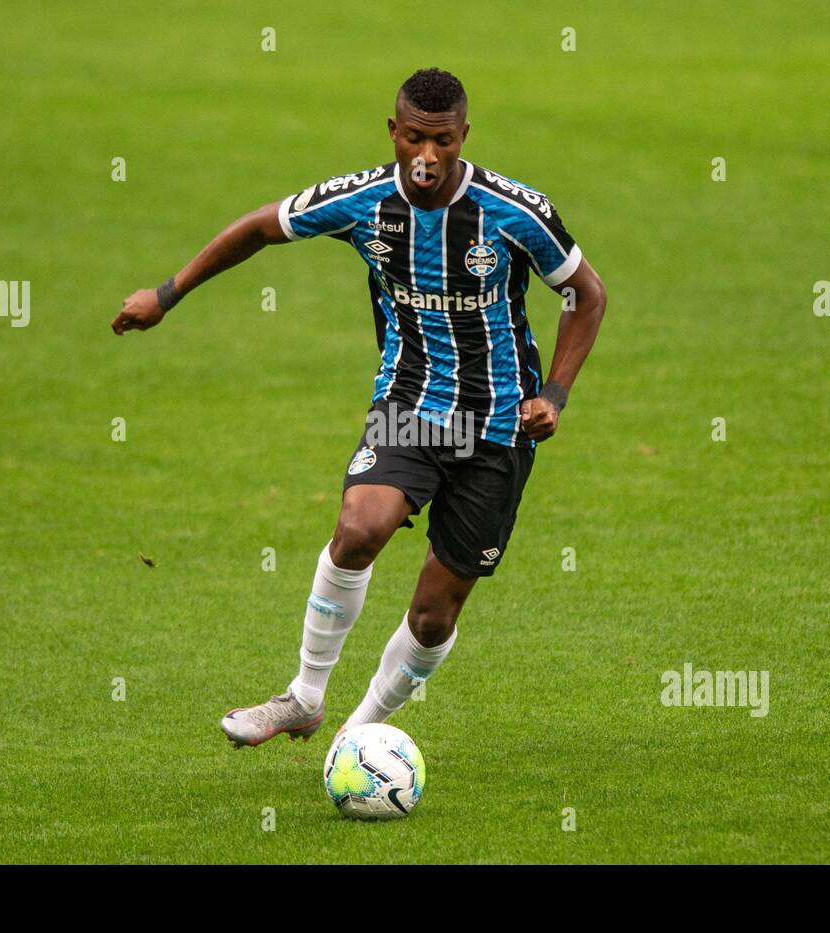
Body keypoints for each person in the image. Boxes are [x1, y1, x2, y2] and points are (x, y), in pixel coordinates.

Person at [111, 68, 607, 747]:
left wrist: (554, 391)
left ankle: (359, 733)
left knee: (435, 614)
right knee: (359, 525)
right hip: (410, 400)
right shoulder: (364, 201)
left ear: (464, 136)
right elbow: (260, 228)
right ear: (392, 132)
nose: (426, 157)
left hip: (496, 425)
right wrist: (167, 293)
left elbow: (586, 292)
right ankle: (304, 696)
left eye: (442, 141)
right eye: (413, 139)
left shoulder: (514, 210)